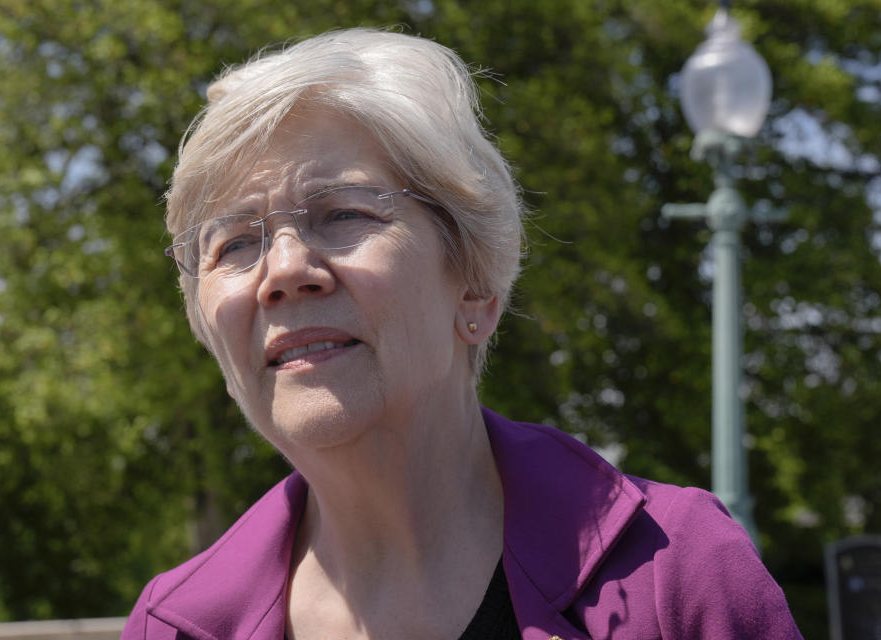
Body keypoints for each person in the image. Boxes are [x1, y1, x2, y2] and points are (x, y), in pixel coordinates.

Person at [121, 28, 802, 640]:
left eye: (345, 213)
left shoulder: (677, 575)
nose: (287, 270)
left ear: (475, 285)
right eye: (236, 243)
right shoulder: (175, 627)